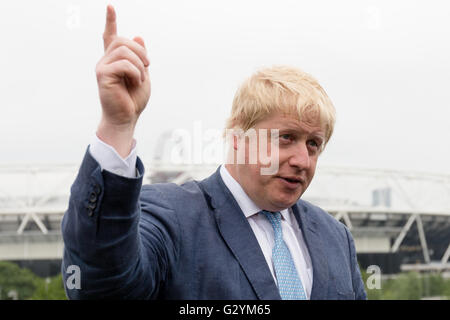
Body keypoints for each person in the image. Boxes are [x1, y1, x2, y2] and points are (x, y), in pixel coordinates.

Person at [61, 5, 367, 300]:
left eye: (313, 144)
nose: (302, 160)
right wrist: (118, 126)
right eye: (285, 138)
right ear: (237, 137)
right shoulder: (172, 217)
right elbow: (103, 287)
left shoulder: (335, 237)